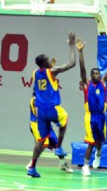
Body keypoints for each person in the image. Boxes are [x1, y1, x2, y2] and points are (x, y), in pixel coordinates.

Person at [27, 31, 76, 178]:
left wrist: (51, 68)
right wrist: (72, 45)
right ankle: (59, 147)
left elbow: (39, 85)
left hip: (41, 111)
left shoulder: (35, 73)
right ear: (44, 64)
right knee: (65, 120)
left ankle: (32, 167)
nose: (50, 61)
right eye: (47, 60)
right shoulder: (52, 71)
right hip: (52, 108)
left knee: (41, 141)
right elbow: (72, 64)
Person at [77, 37, 107, 176]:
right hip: (90, 116)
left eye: (98, 73)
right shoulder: (86, 84)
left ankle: (99, 153)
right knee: (91, 141)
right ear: (90, 75)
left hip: (101, 116)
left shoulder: (103, 83)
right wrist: (80, 52)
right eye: (94, 73)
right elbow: (82, 68)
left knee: (99, 141)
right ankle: (85, 166)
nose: (97, 74)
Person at [27, 94, 73, 173]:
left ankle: (62, 164)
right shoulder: (35, 101)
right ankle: (32, 163)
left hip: (46, 124)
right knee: (44, 143)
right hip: (37, 125)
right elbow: (39, 114)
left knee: (56, 143)